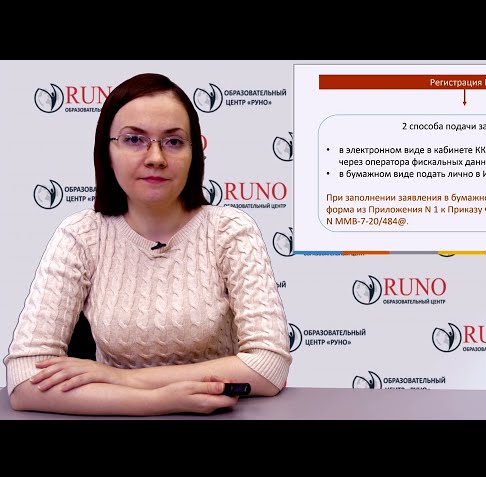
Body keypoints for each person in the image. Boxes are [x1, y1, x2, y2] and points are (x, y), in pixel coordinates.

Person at [3, 73, 292, 416]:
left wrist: (122, 378)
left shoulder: (230, 231)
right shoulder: (80, 235)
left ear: (194, 154)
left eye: (174, 142)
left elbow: (268, 366)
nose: (156, 157)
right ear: (107, 152)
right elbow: (24, 382)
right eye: (134, 139)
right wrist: (159, 401)